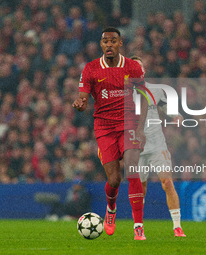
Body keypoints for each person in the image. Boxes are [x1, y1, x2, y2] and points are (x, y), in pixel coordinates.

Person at [72, 27, 148, 240]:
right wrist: (80, 103)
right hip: (104, 127)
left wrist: (140, 128)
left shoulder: (132, 67)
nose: (109, 45)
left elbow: (143, 98)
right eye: (105, 41)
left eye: (113, 41)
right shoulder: (91, 69)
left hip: (129, 124)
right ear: (101, 44)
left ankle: (138, 227)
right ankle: (111, 209)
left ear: (120, 43)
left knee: (132, 170)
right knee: (114, 180)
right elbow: (83, 97)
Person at [131, 56, 186, 237]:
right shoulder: (122, 94)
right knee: (141, 189)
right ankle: (139, 227)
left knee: (167, 182)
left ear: (144, 71)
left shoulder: (155, 90)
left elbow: (166, 107)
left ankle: (177, 227)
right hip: (136, 149)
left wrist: (176, 116)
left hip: (157, 145)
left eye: (140, 67)